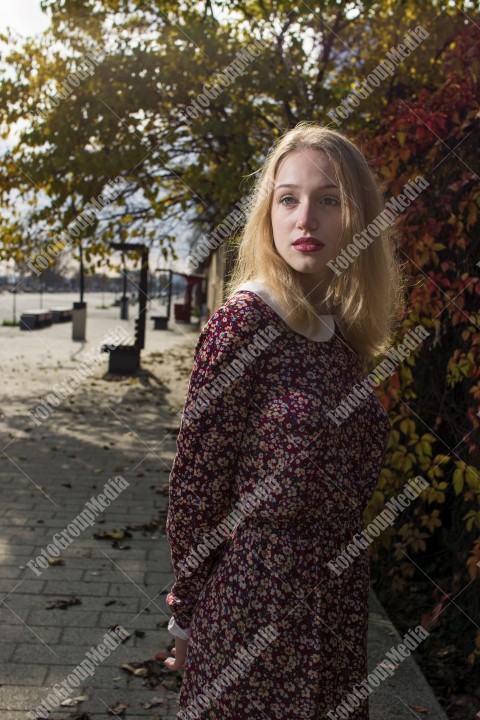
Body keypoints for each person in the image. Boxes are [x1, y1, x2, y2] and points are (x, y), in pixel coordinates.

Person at [163, 122, 405, 719]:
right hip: (254, 607)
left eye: (329, 200)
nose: (306, 219)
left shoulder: (344, 330)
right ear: (267, 214)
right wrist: (187, 616)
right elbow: (198, 485)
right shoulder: (244, 322)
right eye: (288, 199)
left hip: (339, 607)